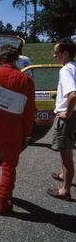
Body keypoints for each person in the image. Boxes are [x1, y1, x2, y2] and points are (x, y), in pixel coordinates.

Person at [0, 44, 36, 215]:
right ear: (17, 58)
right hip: (15, 128)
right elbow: (29, 112)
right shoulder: (26, 81)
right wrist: (27, 133)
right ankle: (4, 201)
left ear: (0, 58)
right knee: (9, 165)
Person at [47, 40, 76, 200]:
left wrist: (67, 113)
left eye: (56, 53)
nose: (54, 55)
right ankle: (63, 175)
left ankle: (65, 190)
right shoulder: (75, 67)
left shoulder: (65, 70)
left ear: (65, 53)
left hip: (69, 118)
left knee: (66, 154)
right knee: (68, 149)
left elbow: (73, 94)